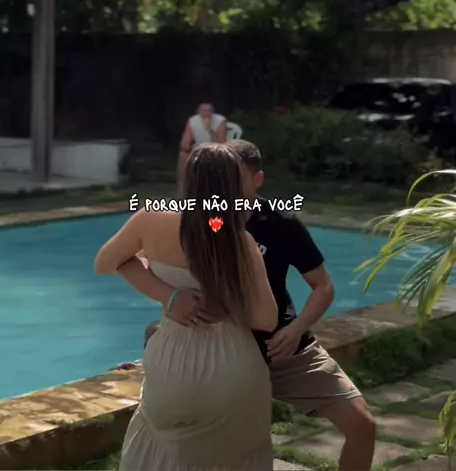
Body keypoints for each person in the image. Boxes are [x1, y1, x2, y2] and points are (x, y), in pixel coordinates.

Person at [118, 140, 376, 471]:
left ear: (257, 180)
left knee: (362, 425)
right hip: (217, 354)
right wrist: (169, 298)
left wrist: (296, 330)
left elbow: (323, 286)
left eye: (231, 179)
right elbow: (141, 262)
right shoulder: (188, 221)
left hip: (281, 346)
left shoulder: (281, 224)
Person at [95, 142, 278, 471]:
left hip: (173, 368)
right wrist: (227, 307)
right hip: (233, 371)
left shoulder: (150, 221)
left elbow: (106, 263)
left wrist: (169, 295)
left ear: (187, 180)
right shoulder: (241, 243)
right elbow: (267, 319)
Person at [177, 102, 226, 192]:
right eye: (203, 111)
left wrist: (209, 128)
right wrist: (191, 147)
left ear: (212, 111)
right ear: (198, 111)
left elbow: (221, 143)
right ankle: (183, 189)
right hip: (198, 149)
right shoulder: (193, 121)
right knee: (183, 155)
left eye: (208, 111)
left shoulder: (220, 120)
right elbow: (184, 144)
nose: (206, 113)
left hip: (215, 150)